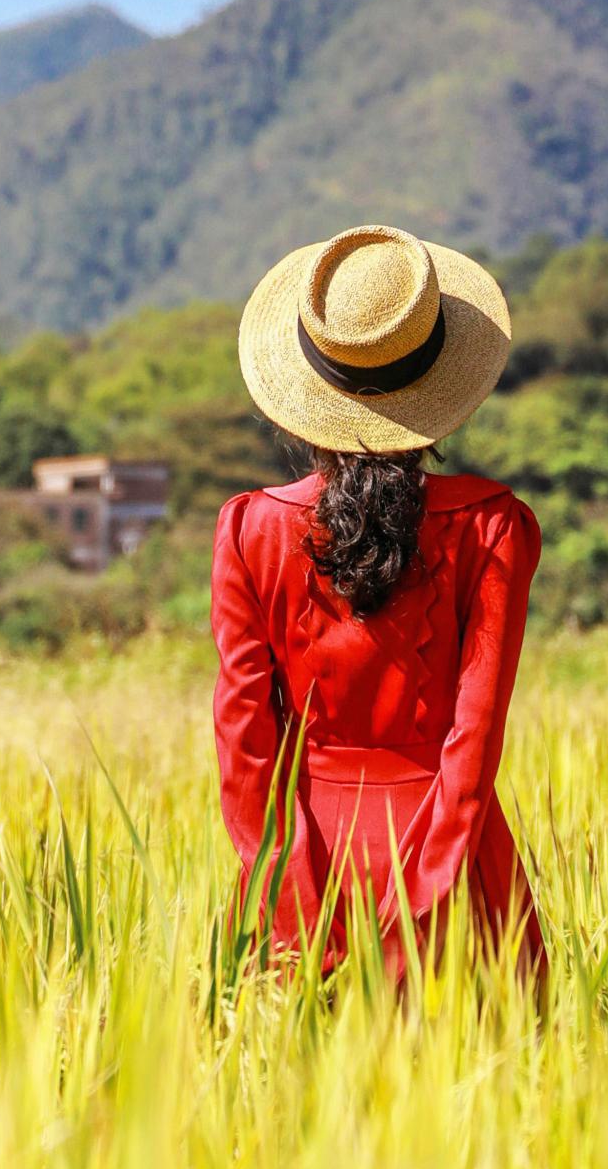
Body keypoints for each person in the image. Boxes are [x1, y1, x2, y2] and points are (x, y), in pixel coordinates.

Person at [211, 223, 544, 981]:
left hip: (302, 854)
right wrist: (429, 891)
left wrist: (284, 885)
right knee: (492, 1086)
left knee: (280, 1087)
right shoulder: (492, 526)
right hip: (448, 850)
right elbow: (477, 730)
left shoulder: (248, 528)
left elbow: (244, 738)